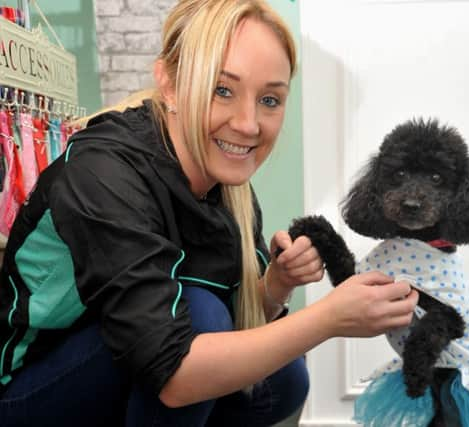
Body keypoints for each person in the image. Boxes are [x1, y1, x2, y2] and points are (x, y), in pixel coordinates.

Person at [0, 1, 419, 425]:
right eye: (222, 90)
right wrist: (329, 318)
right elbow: (175, 369)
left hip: (126, 366)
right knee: (201, 317)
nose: (248, 124)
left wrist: (275, 285)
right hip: (25, 395)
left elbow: (242, 316)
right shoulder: (103, 172)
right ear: (169, 83)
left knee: (281, 377)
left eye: (270, 99)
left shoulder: (227, 185)